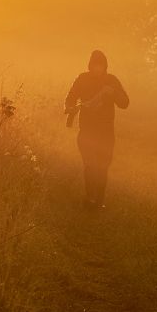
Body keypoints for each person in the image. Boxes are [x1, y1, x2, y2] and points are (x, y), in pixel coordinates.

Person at [64, 50, 129, 210]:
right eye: (94, 65)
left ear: (105, 66)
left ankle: (99, 200)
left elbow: (125, 103)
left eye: (100, 65)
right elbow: (71, 97)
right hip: (86, 130)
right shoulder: (82, 79)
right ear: (90, 65)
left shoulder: (112, 81)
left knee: (103, 166)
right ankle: (90, 197)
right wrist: (70, 108)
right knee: (89, 164)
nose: (97, 68)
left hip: (106, 132)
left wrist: (113, 93)